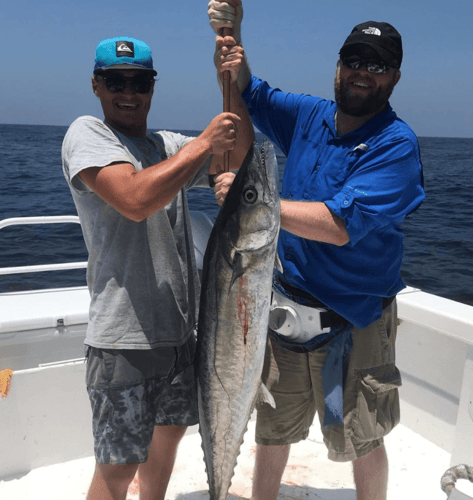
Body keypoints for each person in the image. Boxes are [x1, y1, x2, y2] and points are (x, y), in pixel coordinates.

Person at [208, 3, 425, 500]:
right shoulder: (309, 116)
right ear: (337, 65)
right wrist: (231, 34)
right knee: (271, 431)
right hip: (285, 312)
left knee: (362, 439)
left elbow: (339, 225)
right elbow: (248, 91)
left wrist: (257, 205)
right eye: (353, 60)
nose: (361, 73)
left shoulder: (397, 145)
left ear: (393, 77)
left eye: (376, 65)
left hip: (354, 323)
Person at [62, 36, 252, 500]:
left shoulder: (167, 144)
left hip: (180, 335)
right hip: (122, 340)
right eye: (115, 80)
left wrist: (232, 79)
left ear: (152, 86)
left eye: (140, 81)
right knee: (118, 465)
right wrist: (205, 143)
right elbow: (133, 199)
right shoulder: (87, 134)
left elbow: (238, 150)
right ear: (96, 85)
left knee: (165, 440)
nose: (128, 91)